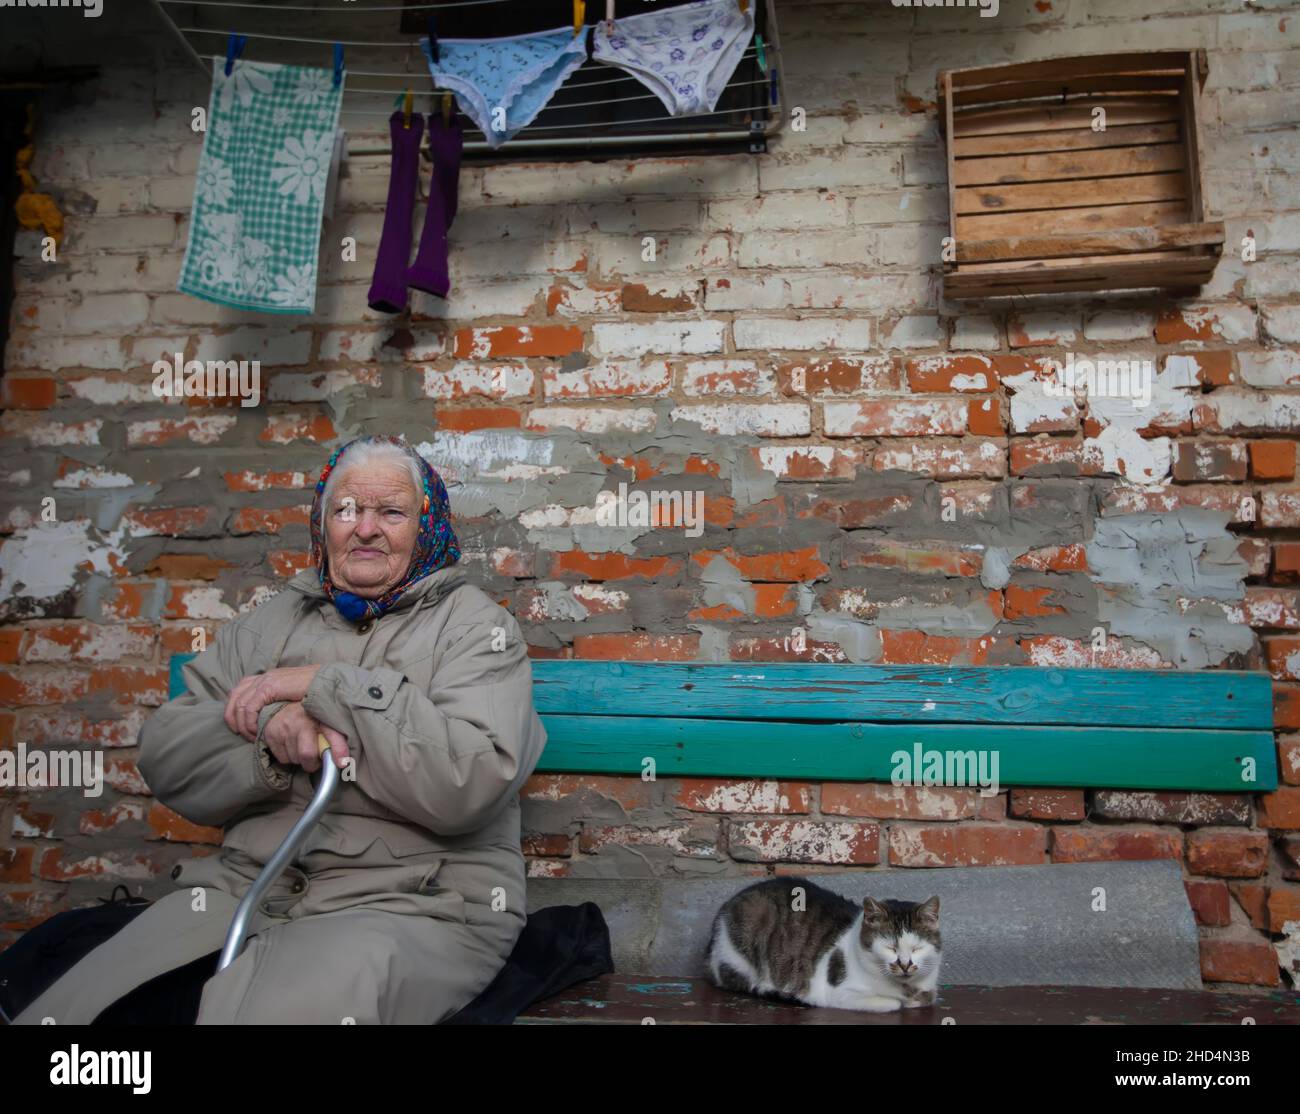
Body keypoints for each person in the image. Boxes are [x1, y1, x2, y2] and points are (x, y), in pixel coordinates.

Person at [16, 435, 547, 1024]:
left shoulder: (476, 630)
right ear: (322, 525)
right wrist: (270, 731)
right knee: (78, 1010)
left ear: (427, 527)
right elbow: (168, 754)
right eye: (346, 510)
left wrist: (328, 686)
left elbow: (466, 782)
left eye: (391, 512)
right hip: (246, 887)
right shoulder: (266, 626)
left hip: (415, 904)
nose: (365, 528)